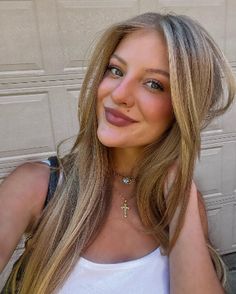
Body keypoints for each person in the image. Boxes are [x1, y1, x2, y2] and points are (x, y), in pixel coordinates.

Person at [0, 12, 235, 294]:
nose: (119, 93)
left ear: (183, 109)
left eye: (154, 84)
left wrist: (179, 187)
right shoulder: (36, 186)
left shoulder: (184, 200)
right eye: (116, 70)